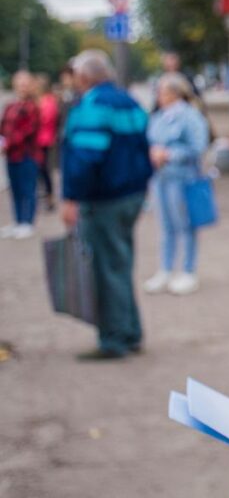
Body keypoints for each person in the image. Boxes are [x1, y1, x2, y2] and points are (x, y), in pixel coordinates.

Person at [62, 50, 153, 361]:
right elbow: (145, 148)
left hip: (103, 200)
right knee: (120, 265)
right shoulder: (129, 101)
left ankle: (113, 340)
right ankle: (130, 332)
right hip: (130, 196)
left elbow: (86, 157)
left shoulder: (93, 105)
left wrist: (71, 197)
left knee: (106, 269)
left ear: (84, 76)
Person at [143, 72, 210, 296]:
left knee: (185, 224)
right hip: (160, 178)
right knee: (165, 226)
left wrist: (170, 154)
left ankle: (188, 271)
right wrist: (153, 153)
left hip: (183, 178)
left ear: (175, 93)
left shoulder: (190, 116)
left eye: (162, 92)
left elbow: (198, 146)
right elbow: (150, 140)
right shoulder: (159, 116)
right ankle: (166, 269)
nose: (159, 96)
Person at [0, 71, 43, 239]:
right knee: (15, 189)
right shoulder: (11, 105)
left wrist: (7, 144)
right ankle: (18, 221)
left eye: (25, 83)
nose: (22, 86)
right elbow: (3, 127)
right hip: (12, 155)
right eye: (20, 83)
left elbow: (27, 131)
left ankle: (28, 222)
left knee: (28, 189)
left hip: (27, 154)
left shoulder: (33, 107)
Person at [35, 73, 60, 212]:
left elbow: (45, 119)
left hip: (44, 140)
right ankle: (45, 196)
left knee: (44, 170)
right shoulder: (41, 101)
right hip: (39, 140)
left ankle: (49, 197)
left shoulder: (48, 101)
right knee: (40, 171)